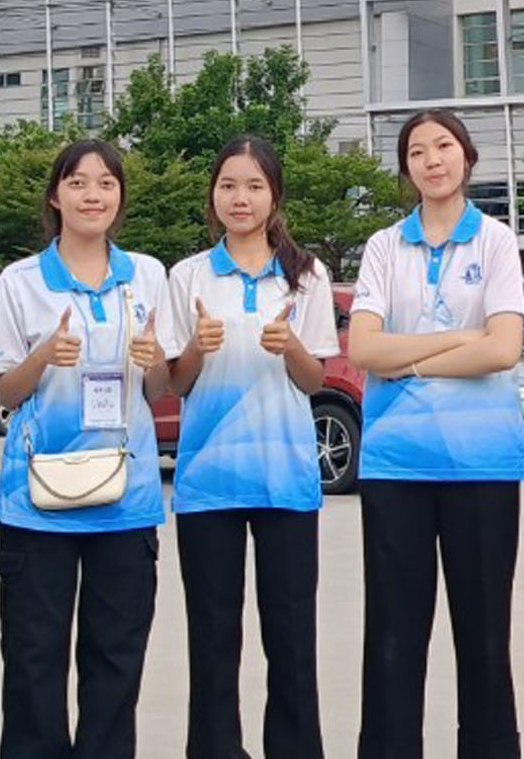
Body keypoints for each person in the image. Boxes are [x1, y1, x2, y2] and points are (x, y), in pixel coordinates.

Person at [346, 109, 524, 759]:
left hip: (482, 463)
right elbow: (364, 346)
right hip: (395, 465)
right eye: (417, 151)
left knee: (484, 636)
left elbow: (504, 348)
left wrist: (409, 357)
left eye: (443, 145)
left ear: (467, 156)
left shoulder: (497, 241)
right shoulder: (384, 247)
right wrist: (455, 338)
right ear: (406, 169)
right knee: (393, 636)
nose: (432, 159)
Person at [0, 140, 172, 759]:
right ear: (54, 196)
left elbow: (163, 388)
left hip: (128, 497)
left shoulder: (147, 274)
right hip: (37, 500)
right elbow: (5, 394)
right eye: (78, 183)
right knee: (34, 662)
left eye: (106, 184)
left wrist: (153, 363)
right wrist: (42, 357)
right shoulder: (20, 281)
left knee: (116, 662)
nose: (92, 195)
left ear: (119, 199)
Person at [162, 135, 339, 759]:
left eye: (255, 186)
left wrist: (289, 345)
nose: (241, 198)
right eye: (229, 185)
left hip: (285, 480)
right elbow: (173, 383)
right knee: (212, 639)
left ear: (275, 195)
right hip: (207, 482)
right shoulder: (186, 276)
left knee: (291, 638)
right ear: (213, 195)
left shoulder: (306, 275)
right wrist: (195, 349)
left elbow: (315, 380)